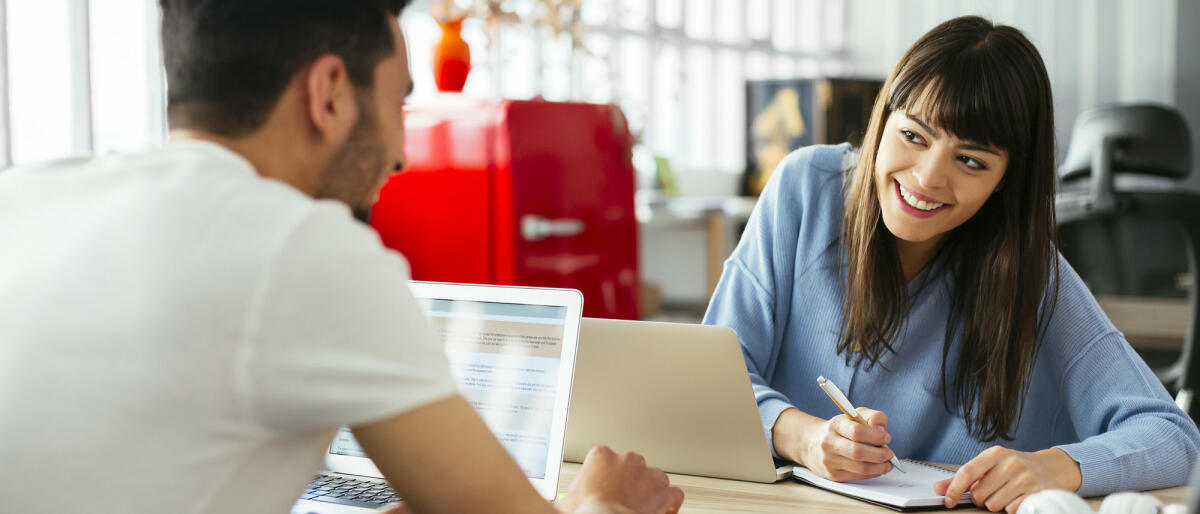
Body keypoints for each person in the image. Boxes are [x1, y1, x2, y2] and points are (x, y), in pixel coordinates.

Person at [0, 1, 684, 513]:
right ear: (328, 93)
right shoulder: (304, 247)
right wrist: (596, 501)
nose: (401, 153)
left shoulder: (24, 196)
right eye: (397, 104)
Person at [703, 15, 1200, 514]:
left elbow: (1172, 436)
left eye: (971, 161)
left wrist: (1056, 465)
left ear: (1006, 178)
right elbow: (710, 381)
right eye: (914, 136)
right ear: (884, 119)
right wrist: (803, 437)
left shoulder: (1030, 271)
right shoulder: (805, 190)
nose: (928, 178)